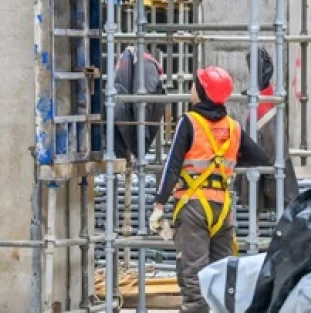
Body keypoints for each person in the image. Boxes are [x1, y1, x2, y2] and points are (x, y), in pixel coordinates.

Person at [149, 67, 269, 313]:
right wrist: (224, 162)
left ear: (202, 92)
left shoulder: (189, 122)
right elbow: (260, 157)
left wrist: (159, 205)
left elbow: (172, 165)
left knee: (193, 271)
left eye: (195, 84)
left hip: (193, 206)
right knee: (222, 271)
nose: (191, 88)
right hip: (222, 208)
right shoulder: (233, 127)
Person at [237, 48, 299, 214]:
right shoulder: (266, 101)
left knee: (271, 175)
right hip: (262, 130)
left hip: (264, 133)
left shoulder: (267, 104)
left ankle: (259, 218)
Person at [112, 47, 167, 160]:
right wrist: (142, 138)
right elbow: (143, 104)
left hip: (119, 117)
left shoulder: (128, 58)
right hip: (128, 119)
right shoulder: (147, 64)